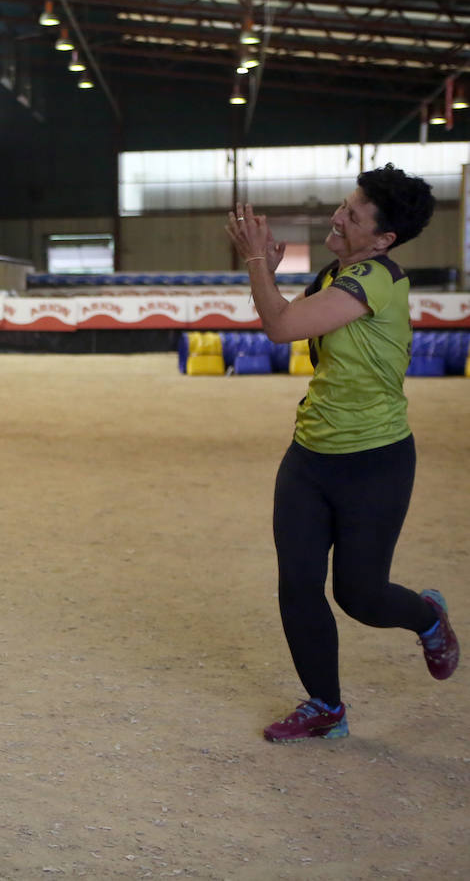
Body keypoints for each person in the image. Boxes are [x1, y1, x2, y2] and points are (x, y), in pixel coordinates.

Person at [225, 164, 457, 744]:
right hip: (309, 457)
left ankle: (427, 616)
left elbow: (280, 327)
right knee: (298, 584)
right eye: (343, 204)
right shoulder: (335, 274)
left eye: (352, 215)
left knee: (360, 596)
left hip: (374, 461)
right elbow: (287, 317)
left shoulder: (375, 278)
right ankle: (325, 707)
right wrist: (268, 272)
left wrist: (255, 261)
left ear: (383, 240)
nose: (337, 216)